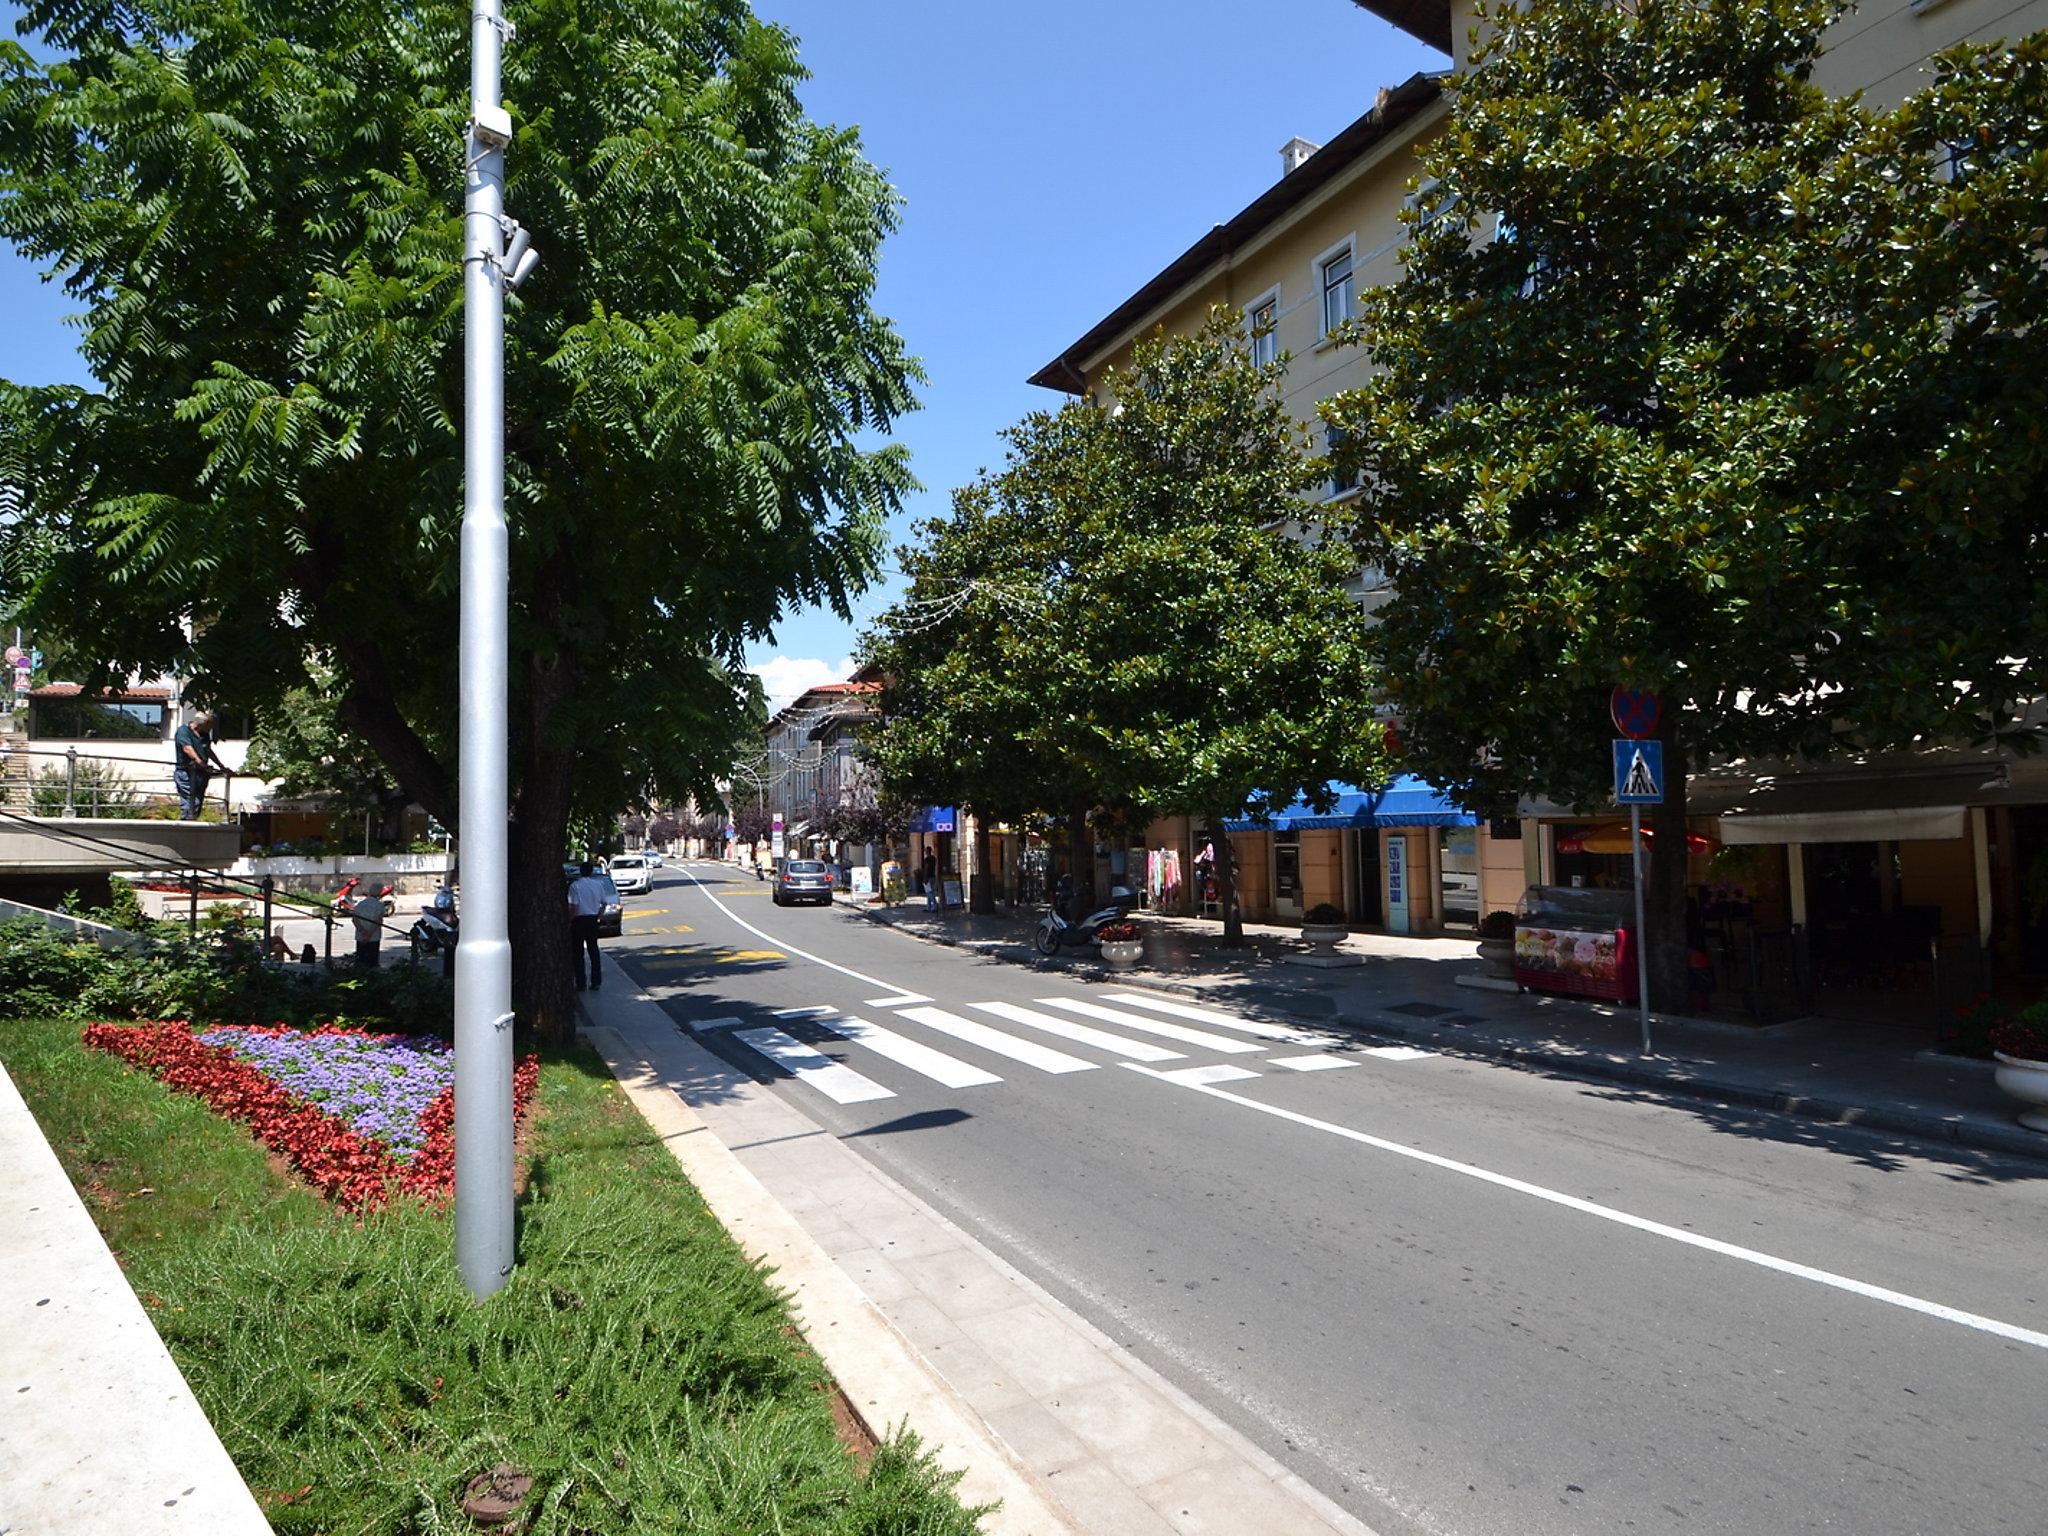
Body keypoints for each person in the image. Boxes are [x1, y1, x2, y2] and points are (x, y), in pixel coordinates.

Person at [171, 710, 229, 820]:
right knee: (191, 800)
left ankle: (191, 822)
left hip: (201, 774)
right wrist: (201, 763)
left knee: (197, 802)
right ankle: (186, 824)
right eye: (210, 725)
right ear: (202, 724)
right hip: (186, 773)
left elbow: (208, 751)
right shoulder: (183, 731)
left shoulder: (204, 735)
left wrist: (220, 766)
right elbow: (187, 749)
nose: (211, 728)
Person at [566, 860, 608, 991]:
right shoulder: (598, 885)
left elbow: (574, 906)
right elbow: (604, 903)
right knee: (593, 950)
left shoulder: (575, 886)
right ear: (591, 872)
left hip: (579, 920)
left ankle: (581, 982)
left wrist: (570, 920)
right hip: (592, 919)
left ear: (580, 871)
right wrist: (599, 916)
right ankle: (596, 981)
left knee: (578, 952)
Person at [348, 882, 391, 968]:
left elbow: (354, 919)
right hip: (374, 937)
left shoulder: (360, 904)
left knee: (361, 961)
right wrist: (369, 934)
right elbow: (377, 921)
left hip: (360, 936)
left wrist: (362, 931)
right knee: (372, 962)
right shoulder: (379, 905)